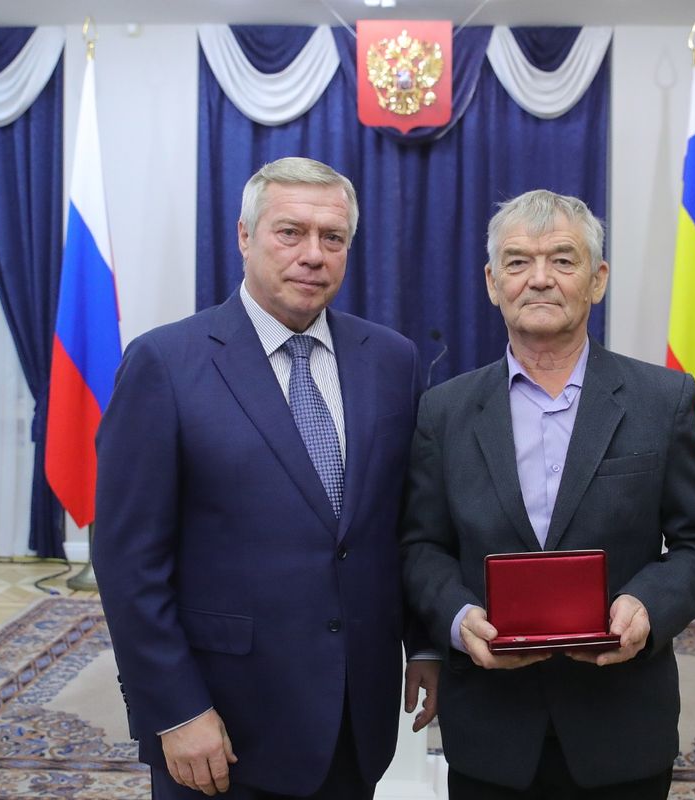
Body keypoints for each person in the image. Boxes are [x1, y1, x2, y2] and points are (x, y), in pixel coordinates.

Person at [94, 157, 438, 800]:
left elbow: (410, 521)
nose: (313, 254)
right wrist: (175, 709)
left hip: (354, 717)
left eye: (332, 238)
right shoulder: (164, 363)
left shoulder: (392, 360)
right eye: (290, 232)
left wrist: (425, 644)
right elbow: (127, 562)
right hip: (222, 725)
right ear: (245, 236)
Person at [400, 189, 695, 798]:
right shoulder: (443, 411)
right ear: (492, 283)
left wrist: (647, 607)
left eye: (562, 259)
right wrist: (457, 619)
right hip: (491, 729)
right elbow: (422, 546)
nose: (540, 279)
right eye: (517, 262)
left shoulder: (663, 401)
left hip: (621, 727)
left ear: (597, 279)